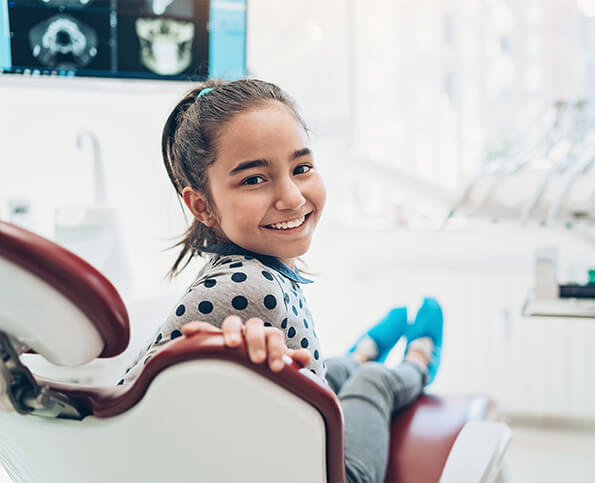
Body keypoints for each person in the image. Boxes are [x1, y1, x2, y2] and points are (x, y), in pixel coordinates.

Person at [121, 79, 443, 483]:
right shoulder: (250, 291)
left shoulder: (244, 269)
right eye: (254, 179)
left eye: (302, 168)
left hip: (281, 438)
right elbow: (128, 418)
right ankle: (419, 361)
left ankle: (361, 354)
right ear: (201, 205)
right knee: (375, 383)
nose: (291, 197)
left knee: (326, 372)